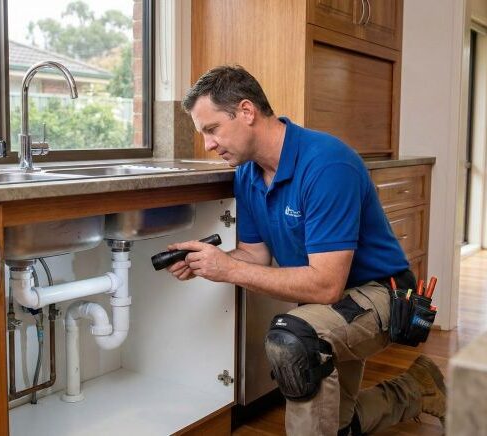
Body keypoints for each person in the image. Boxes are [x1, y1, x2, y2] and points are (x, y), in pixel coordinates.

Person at [166, 65, 446, 435]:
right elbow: (254, 256)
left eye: (212, 129)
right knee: (336, 426)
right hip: (331, 303)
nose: (208, 145)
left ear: (247, 112)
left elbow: (326, 285)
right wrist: (208, 263)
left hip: (383, 294)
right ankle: (418, 388)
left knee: (294, 340)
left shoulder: (327, 163)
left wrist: (229, 270)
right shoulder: (248, 176)